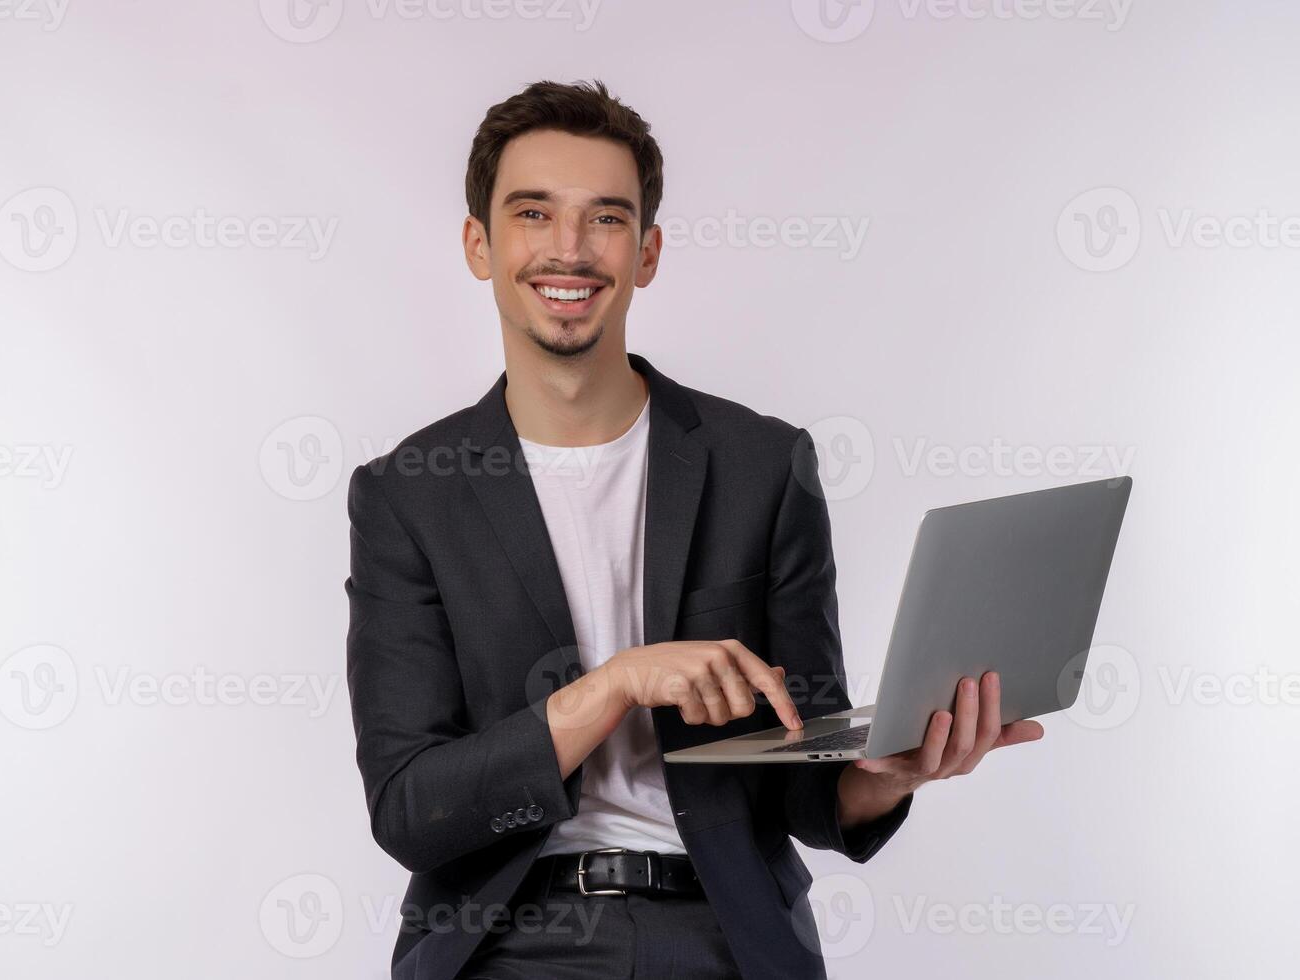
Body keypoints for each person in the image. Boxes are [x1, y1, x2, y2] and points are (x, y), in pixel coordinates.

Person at [345, 78, 1043, 980]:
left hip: (720, 931)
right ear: (480, 244)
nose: (570, 249)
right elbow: (411, 810)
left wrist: (886, 776)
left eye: (605, 218)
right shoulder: (406, 497)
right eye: (533, 214)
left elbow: (803, 771)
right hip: (505, 940)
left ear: (648, 252)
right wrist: (620, 683)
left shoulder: (763, 465)